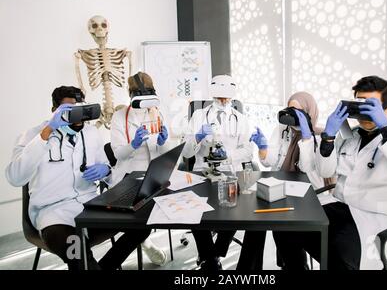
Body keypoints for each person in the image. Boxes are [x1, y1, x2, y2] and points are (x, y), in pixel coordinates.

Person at [273, 76, 387, 270]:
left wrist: (386, 129)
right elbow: (325, 170)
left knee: (339, 251)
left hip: (379, 217)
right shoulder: (351, 136)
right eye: (359, 106)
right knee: (285, 225)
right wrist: (328, 138)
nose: (363, 115)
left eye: (370, 108)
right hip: (343, 208)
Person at [5, 86, 150, 270]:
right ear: (55, 111)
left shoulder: (90, 133)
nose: (78, 116)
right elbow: (15, 177)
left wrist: (105, 169)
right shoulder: (32, 135)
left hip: (91, 207)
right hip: (54, 216)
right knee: (78, 253)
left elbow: (109, 172)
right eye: (70, 110)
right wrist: (48, 131)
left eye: (80, 108)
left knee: (142, 225)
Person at [182, 74, 259, 270]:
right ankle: (211, 261)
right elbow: (187, 152)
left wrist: (229, 155)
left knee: (237, 208)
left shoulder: (240, 119)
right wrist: (197, 137)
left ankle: (213, 254)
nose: (223, 101)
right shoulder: (198, 117)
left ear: (232, 97)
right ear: (213, 95)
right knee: (196, 213)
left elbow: (249, 150)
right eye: (219, 98)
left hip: (230, 172)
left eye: (227, 98)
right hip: (202, 172)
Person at [244, 91, 326, 270]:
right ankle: (248, 271)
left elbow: (307, 169)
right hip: (281, 186)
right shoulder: (282, 129)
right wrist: (263, 147)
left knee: (282, 224)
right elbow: (270, 162)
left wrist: (306, 138)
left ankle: (294, 265)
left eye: (298, 111)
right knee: (254, 217)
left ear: (309, 112)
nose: (292, 115)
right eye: (290, 109)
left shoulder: (321, 137)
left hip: (309, 193)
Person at [110, 71, 169, 266]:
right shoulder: (119, 117)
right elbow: (118, 154)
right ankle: (144, 241)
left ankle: (144, 238)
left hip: (153, 177)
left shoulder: (155, 112)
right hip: (128, 178)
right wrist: (133, 144)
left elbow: (162, 152)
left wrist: (163, 142)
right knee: (143, 219)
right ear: (131, 95)